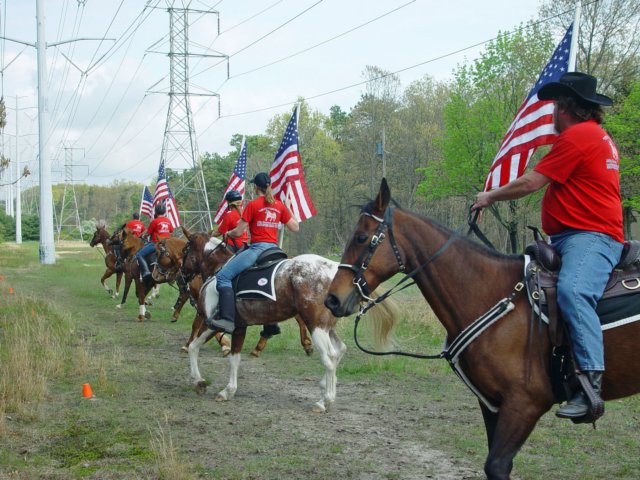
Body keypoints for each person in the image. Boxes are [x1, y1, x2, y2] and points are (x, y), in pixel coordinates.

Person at [472, 72, 623, 420]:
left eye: (555, 106)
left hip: (591, 236)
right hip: (572, 236)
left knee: (572, 291)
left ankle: (590, 386)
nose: (551, 113)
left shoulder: (580, 136)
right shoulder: (594, 136)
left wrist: (489, 196)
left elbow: (531, 182)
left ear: (567, 108)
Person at [209, 172, 299, 333]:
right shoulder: (279, 205)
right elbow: (295, 227)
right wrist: (288, 207)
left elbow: (238, 232)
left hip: (257, 249)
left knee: (223, 276)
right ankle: (271, 324)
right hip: (275, 250)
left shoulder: (252, 205)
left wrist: (228, 233)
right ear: (269, 186)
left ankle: (228, 319)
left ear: (256, 187)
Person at [135, 202, 175, 280]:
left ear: (156, 212)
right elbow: (171, 231)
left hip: (156, 244)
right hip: (167, 244)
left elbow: (148, 234)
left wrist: (143, 236)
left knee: (139, 254)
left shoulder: (154, 221)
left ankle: (146, 271)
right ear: (164, 212)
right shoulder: (168, 221)